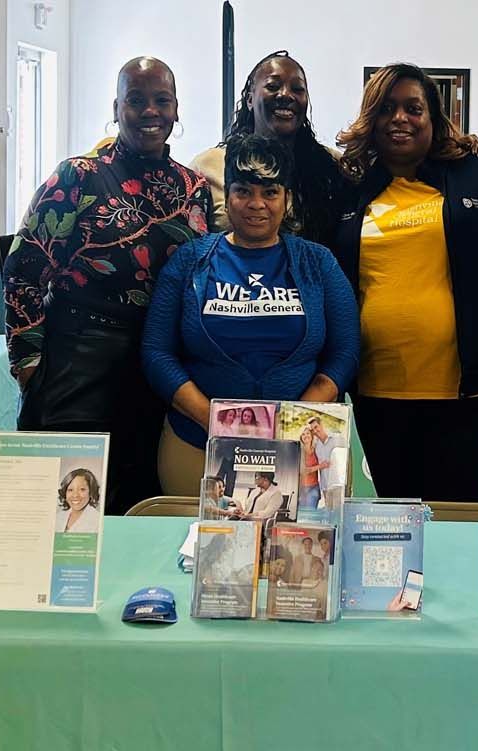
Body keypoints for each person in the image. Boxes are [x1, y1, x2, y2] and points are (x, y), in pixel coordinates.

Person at [6, 57, 211, 514]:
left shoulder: (194, 188)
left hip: (157, 363)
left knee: (138, 496)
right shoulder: (77, 176)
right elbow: (23, 270)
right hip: (79, 355)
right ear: (116, 107)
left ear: (177, 109)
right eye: (136, 100)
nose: (150, 112)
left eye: (162, 101)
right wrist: (28, 362)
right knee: (70, 506)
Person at [332, 63, 478, 503]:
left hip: (468, 389)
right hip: (377, 388)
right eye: (387, 109)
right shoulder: (350, 188)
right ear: (371, 119)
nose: (400, 118)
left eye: (413, 108)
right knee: (396, 515)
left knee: (456, 514)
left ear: (433, 118)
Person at [143, 133, 359, 496]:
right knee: (202, 550)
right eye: (243, 190)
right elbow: (156, 352)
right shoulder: (189, 261)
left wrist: (293, 423)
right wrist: (215, 422)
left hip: (302, 450)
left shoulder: (317, 262)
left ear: (286, 199)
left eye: (270, 192)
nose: (256, 204)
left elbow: (345, 353)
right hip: (199, 446)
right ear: (226, 197)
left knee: (298, 553)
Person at [191, 51, 352, 243]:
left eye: (297, 89)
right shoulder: (209, 166)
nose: (286, 95)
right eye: (273, 86)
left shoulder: (332, 165)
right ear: (250, 100)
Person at [305, 416, 347, 510]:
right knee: (329, 515)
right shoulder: (317, 446)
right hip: (325, 487)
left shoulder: (337, 439)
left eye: (316, 427)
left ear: (321, 425)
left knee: (337, 513)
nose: (315, 431)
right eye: (312, 430)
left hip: (337, 485)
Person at [56, 468, 102, 533]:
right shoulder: (58, 517)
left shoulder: (98, 520)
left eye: (82, 489)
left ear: (91, 491)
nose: (75, 495)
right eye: (70, 490)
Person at [299, 427, 323, 510]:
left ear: (312, 436)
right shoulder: (299, 451)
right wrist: (320, 466)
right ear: (301, 437)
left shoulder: (316, 449)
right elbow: (303, 471)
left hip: (313, 487)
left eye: (308, 433)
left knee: (310, 514)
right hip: (301, 489)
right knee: (301, 515)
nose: (306, 436)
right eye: (303, 434)